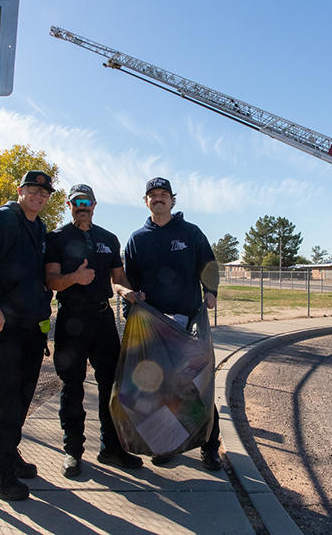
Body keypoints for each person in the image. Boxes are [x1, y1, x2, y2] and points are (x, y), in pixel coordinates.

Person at [44, 184, 145, 478]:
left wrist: (128, 293)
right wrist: (74, 278)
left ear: (95, 204)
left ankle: (111, 448)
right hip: (70, 320)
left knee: (112, 386)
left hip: (102, 320)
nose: (82, 205)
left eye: (87, 201)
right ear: (69, 204)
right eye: (77, 201)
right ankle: (73, 452)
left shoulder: (108, 239)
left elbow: (118, 278)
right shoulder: (57, 238)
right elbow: (51, 280)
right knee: (71, 386)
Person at [0, 170, 55, 501]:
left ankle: (9, 454)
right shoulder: (4, 220)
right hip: (4, 326)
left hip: (31, 326)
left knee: (21, 396)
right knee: (3, 396)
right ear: (20, 191)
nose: (38, 196)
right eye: (32, 190)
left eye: (44, 194)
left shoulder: (39, 227)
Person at [123, 177, 222, 471]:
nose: (158, 199)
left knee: (195, 387)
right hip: (153, 327)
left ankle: (210, 446)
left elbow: (209, 265)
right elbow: (131, 280)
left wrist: (211, 291)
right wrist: (133, 306)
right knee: (158, 390)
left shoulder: (190, 233)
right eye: (153, 195)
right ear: (146, 201)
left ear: (172, 200)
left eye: (164, 194)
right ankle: (166, 445)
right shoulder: (137, 239)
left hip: (187, 324)